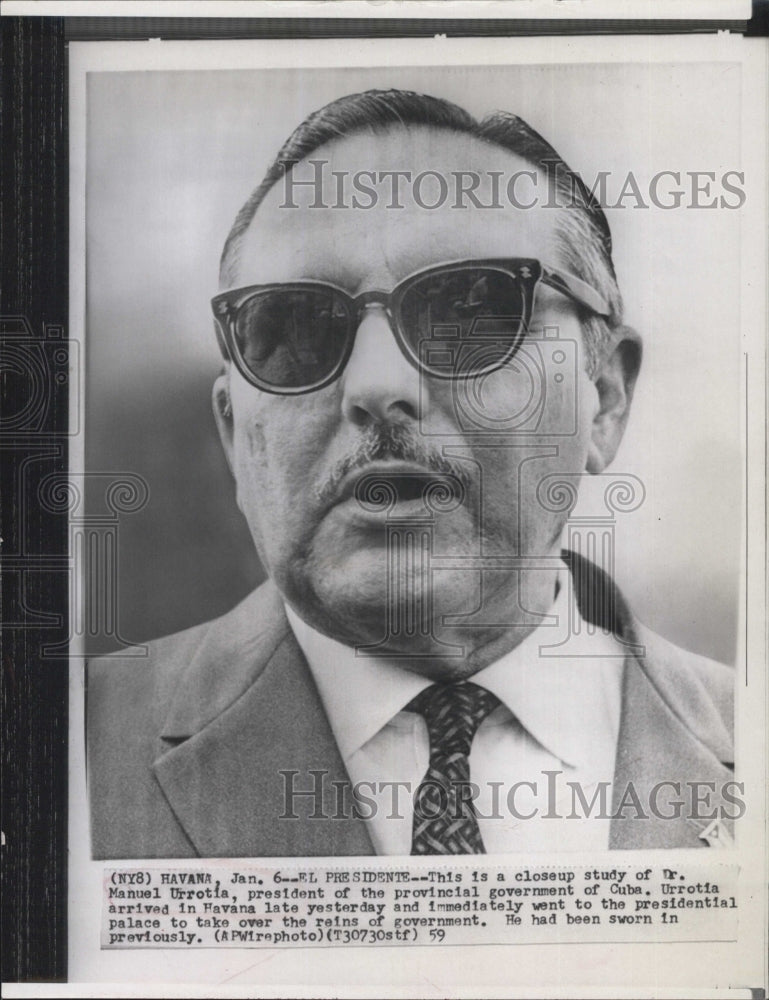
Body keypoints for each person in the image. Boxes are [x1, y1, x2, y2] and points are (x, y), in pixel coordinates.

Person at [87, 90, 735, 859]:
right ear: (234, 435)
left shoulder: (743, 736)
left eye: (468, 313)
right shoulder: (58, 742)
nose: (374, 384)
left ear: (603, 399)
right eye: (294, 328)